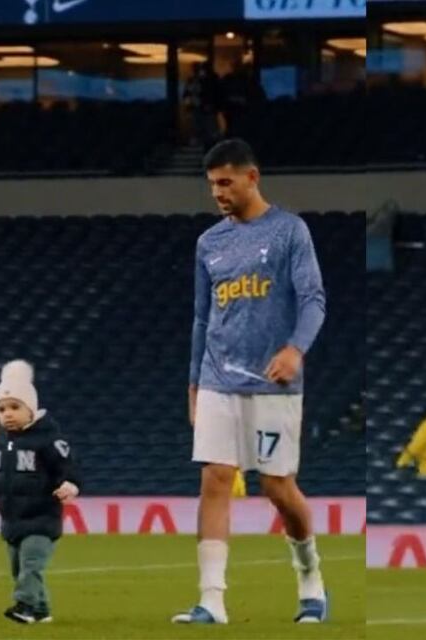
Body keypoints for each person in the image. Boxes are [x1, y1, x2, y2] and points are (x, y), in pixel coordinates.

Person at [172, 138, 327, 625]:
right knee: (215, 479)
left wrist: (294, 349)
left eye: (226, 182)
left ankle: (310, 577)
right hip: (218, 377)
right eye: (212, 184)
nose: (218, 192)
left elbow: (314, 300)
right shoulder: (208, 243)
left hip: (272, 382)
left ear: (252, 177)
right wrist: (195, 382)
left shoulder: (289, 232)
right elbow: (202, 318)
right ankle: (211, 600)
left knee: (278, 487)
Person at [0, 360, 79, 625]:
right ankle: (41, 609)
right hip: (12, 520)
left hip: (42, 518)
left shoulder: (48, 440)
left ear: (30, 409)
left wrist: (70, 484)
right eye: (1, 409)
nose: (7, 413)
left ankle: (25, 607)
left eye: (14, 407)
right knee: (19, 568)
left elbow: (67, 466)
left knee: (31, 565)